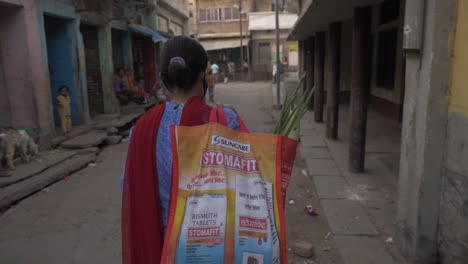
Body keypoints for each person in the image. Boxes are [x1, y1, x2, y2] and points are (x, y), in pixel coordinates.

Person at [121, 36, 243, 263]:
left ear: (165, 78)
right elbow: (251, 186)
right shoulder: (226, 120)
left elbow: (130, 187)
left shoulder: (141, 130)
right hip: (216, 245)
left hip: (164, 246)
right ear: (201, 75)